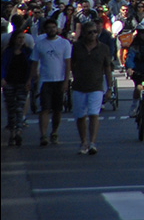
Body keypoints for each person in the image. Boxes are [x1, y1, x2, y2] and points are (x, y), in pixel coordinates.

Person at [70, 21, 112, 154]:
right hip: (79, 86)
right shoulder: (76, 47)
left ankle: (92, 143)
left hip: (96, 86)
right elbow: (70, 64)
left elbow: (107, 68)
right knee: (80, 116)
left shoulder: (103, 48)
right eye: (90, 32)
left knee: (94, 114)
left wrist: (110, 88)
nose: (93, 34)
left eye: (95, 32)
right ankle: (83, 142)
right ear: (83, 34)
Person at [31, 18, 72, 146]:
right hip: (45, 81)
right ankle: (43, 135)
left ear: (57, 28)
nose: (51, 30)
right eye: (49, 28)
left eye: (54, 27)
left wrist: (66, 81)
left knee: (57, 110)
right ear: (45, 30)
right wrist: (33, 78)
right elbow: (34, 62)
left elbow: (67, 64)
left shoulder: (64, 43)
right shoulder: (40, 44)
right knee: (44, 108)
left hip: (59, 80)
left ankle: (54, 131)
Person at [1, 28, 32, 146]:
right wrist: (2, 78)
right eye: (19, 38)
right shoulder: (8, 52)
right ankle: (12, 132)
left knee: (20, 108)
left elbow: (31, 67)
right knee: (11, 108)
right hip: (9, 83)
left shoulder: (28, 52)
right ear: (14, 39)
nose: (21, 40)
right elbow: (3, 65)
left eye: (22, 38)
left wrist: (30, 80)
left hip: (22, 83)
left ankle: (18, 131)